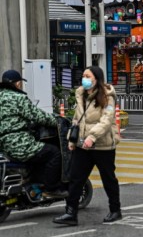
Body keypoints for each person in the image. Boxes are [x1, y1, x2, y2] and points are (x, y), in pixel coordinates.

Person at [53, 66, 121, 226]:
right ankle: (70, 213)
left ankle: (115, 210)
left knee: (108, 179)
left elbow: (106, 120)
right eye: (83, 75)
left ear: (96, 79)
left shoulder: (107, 96)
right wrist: (72, 139)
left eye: (88, 76)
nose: (84, 78)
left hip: (102, 145)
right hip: (83, 145)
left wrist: (92, 137)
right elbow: (77, 120)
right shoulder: (81, 94)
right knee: (76, 179)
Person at [0, 69, 68, 198]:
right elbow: (38, 116)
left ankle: (31, 181)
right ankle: (52, 188)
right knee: (53, 153)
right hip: (19, 144)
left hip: (3, 146)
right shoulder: (18, 98)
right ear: (17, 83)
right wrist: (58, 121)